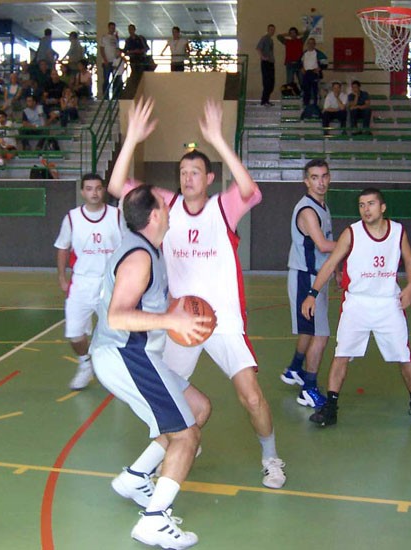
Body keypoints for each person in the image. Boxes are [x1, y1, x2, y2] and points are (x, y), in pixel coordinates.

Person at [108, 97, 287, 490]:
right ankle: (177, 447)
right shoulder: (164, 205)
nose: (188, 177)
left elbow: (251, 190)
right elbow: (117, 186)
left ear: (209, 178)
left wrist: (219, 141)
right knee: (173, 400)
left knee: (251, 397)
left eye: (196, 172)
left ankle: (271, 457)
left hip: (223, 320)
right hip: (180, 322)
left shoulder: (223, 208)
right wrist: (132, 138)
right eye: (183, 172)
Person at [90, 183, 212, 548]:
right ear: (155, 215)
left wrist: (178, 310)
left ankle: (134, 477)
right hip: (125, 354)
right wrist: (173, 321)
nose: (170, 208)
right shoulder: (139, 257)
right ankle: (155, 521)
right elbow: (117, 316)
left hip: (137, 355)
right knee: (186, 435)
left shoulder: (149, 250)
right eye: (164, 204)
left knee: (197, 408)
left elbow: (149, 302)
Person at [301, 188, 411, 428]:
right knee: (341, 355)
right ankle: (331, 407)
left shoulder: (398, 231)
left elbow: (410, 260)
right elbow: (330, 263)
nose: (366, 209)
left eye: (371, 204)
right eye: (361, 205)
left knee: (404, 356)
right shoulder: (352, 233)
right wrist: (312, 294)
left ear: (382, 207)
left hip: (388, 304)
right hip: (357, 303)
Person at [54, 174, 122, 391]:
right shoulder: (72, 218)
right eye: (89, 188)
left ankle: (116, 373)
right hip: (81, 283)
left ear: (104, 190)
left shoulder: (117, 216)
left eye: (98, 188)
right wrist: (62, 277)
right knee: (74, 333)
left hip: (110, 283)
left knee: (115, 333)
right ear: (83, 192)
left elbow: (129, 248)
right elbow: (63, 248)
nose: (94, 192)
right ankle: (85, 365)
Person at [282, 159, 337, 407]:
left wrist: (336, 269)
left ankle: (295, 369)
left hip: (318, 275)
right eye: (315, 177)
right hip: (306, 277)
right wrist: (353, 243)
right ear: (306, 181)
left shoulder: (322, 206)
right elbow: (323, 245)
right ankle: (309, 389)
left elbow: (327, 246)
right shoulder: (308, 211)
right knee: (321, 334)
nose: (320, 182)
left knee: (309, 329)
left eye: (324, 176)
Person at [276, 26, 310, 91]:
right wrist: (287, 34)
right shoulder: (287, 41)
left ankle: (304, 94)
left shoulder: (301, 41)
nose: (292, 34)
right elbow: (278, 36)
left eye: (294, 33)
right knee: (289, 83)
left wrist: (299, 33)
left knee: (302, 82)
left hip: (299, 64)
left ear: (296, 33)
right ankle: (291, 95)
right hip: (290, 64)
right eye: (291, 33)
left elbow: (307, 32)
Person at [300, 38, 327, 111]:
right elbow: (299, 62)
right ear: (307, 44)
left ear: (314, 44)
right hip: (306, 73)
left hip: (314, 73)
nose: (310, 45)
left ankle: (315, 106)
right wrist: (301, 68)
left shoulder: (318, 53)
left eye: (312, 43)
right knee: (306, 90)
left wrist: (320, 68)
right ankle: (306, 106)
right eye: (309, 43)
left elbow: (325, 63)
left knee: (315, 91)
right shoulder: (304, 53)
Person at [0, 110, 17, 179]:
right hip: (2, 148)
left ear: (5, 117)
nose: (1, 119)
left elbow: (7, 127)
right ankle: (0, 162)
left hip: (11, 147)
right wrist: (1, 141)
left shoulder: (9, 123)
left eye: (2, 117)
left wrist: (5, 144)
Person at [256, 24, 276, 106]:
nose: (272, 31)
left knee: (271, 83)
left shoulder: (271, 40)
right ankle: (264, 101)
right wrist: (263, 57)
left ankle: (266, 100)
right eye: (271, 29)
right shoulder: (264, 38)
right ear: (267, 30)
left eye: (273, 30)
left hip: (271, 63)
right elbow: (258, 48)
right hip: (266, 63)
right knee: (267, 82)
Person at [100, 21, 119, 96]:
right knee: (106, 79)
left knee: (115, 79)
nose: (112, 29)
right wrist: (105, 60)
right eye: (111, 28)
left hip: (114, 62)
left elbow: (117, 49)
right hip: (107, 61)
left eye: (114, 28)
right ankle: (105, 96)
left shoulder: (115, 38)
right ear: (108, 28)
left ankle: (115, 95)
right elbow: (101, 49)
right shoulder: (104, 37)